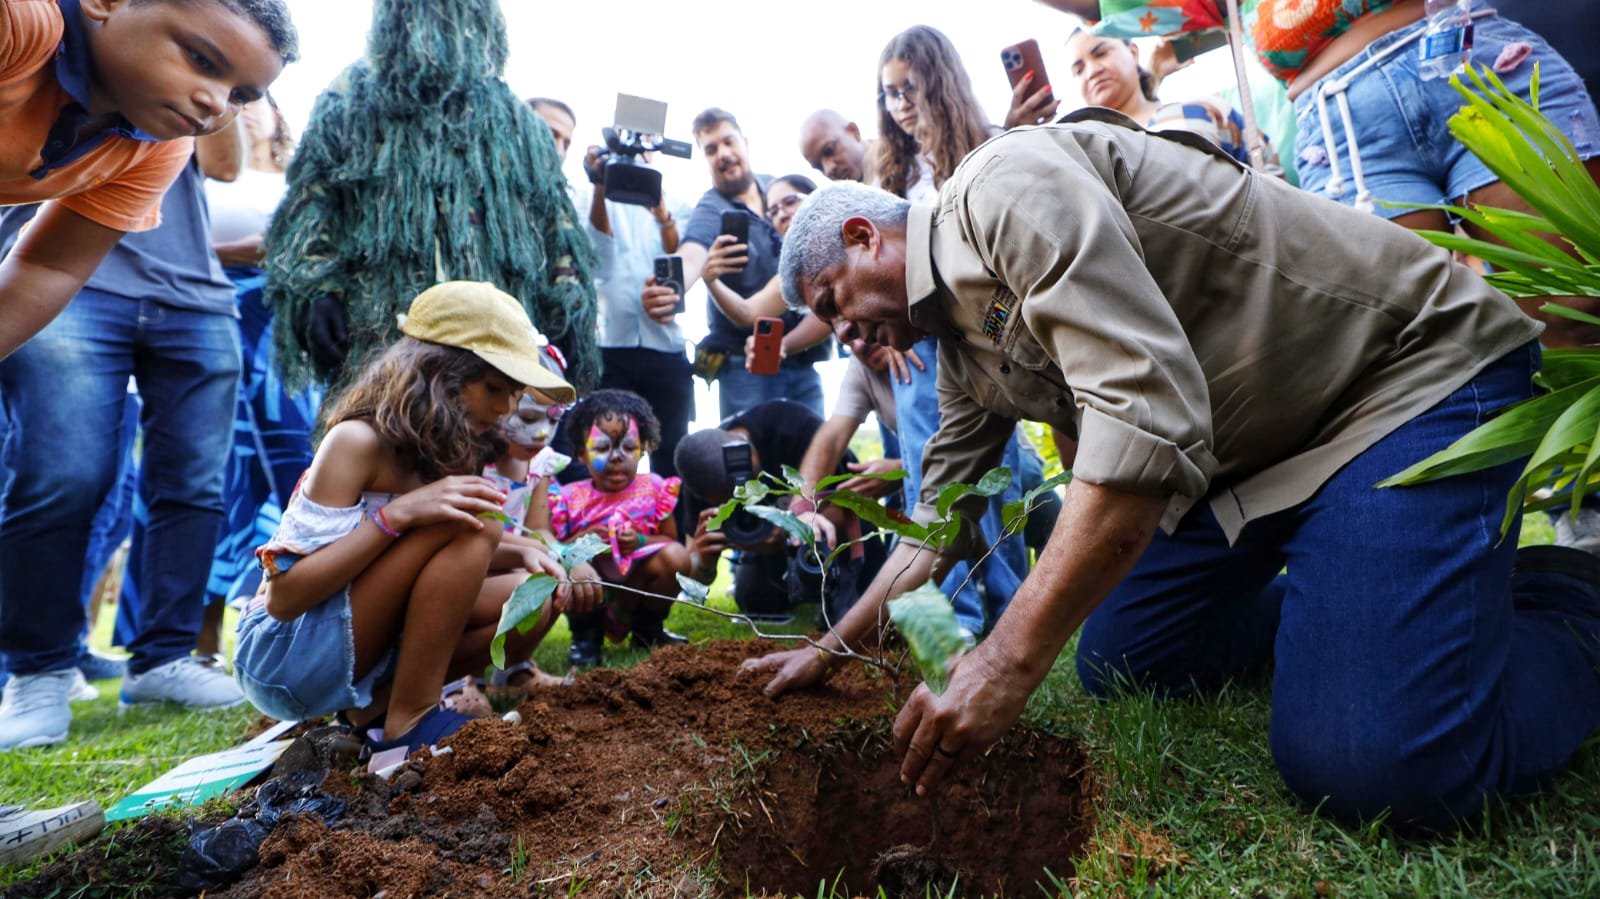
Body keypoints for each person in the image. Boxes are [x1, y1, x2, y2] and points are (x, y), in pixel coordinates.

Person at [747, 115, 1600, 829]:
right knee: (1122, 655)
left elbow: (1141, 421)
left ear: (865, 237)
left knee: (1373, 761)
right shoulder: (961, 359)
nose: (845, 335)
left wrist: (1004, 661)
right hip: (1254, 459)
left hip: (1395, 388)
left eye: (834, 304)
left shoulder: (999, 190)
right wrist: (831, 645)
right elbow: (937, 524)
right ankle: (1368, 600)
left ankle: (1567, 598)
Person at [234, 281, 582, 755]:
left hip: (351, 652)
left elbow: (432, 564)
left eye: (513, 392)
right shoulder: (356, 442)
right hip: (285, 656)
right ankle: (410, 721)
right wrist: (395, 516)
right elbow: (285, 598)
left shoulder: (451, 448)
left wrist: (528, 552)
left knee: (530, 597)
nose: (504, 408)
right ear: (437, 373)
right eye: (494, 388)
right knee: (479, 521)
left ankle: (373, 712)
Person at [0, 126, 253, 750]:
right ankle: (38, 674)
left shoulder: (201, 94)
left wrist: (220, 77)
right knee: (60, 478)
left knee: (194, 484)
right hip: (63, 276)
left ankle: (163, 661)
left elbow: (223, 165)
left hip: (195, 289)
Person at [263, 0, 598, 395]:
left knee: (482, 443)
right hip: (382, 336)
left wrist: (568, 301)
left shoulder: (516, 124)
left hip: (491, 352)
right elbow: (312, 206)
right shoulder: (351, 103)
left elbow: (555, 225)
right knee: (381, 440)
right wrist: (319, 291)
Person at [0, 0, 296, 361]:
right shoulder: (18, 23)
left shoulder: (157, 149)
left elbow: (48, 267)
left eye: (240, 97)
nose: (217, 104)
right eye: (202, 60)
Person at [872, 24, 1039, 634]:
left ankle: (1011, 607)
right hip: (925, 348)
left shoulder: (989, 144)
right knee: (933, 475)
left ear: (939, 81)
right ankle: (956, 617)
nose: (899, 104)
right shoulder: (890, 173)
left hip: (989, 334)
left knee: (1001, 477)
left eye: (909, 87)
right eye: (888, 94)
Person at [203, 97, 320, 618]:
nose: (247, 110)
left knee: (295, 459)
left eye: (258, 101)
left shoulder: (301, 182)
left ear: (279, 115)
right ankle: (197, 637)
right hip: (211, 311)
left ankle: (284, 605)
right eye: (238, 101)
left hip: (286, 336)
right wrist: (239, 250)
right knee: (221, 465)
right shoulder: (199, 170)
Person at [547, 98, 696, 482]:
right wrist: (601, 184)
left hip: (665, 344)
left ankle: (673, 537)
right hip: (607, 344)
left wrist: (661, 211)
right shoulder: (582, 197)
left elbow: (683, 262)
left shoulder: (678, 203)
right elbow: (600, 261)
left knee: (674, 458)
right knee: (595, 456)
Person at [671, 108, 829, 418]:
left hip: (806, 358)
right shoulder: (710, 207)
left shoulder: (778, 190)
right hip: (747, 364)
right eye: (711, 150)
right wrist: (676, 286)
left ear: (745, 142)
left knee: (814, 449)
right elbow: (691, 254)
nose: (723, 154)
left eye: (728, 142)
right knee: (751, 451)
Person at [676, 400, 886, 625]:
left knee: (856, 611)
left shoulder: (790, 426)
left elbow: (854, 506)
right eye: (729, 505)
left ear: (744, 446)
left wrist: (788, 529)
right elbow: (695, 579)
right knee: (755, 598)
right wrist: (703, 562)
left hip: (839, 536)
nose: (744, 503)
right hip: (767, 554)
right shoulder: (700, 472)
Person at [538, 389, 691, 668]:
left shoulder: (654, 488)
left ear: (643, 448)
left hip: (637, 584)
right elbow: (553, 549)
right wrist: (578, 542)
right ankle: (586, 637)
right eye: (602, 447)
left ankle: (648, 631)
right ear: (581, 453)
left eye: (628, 447)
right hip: (591, 587)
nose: (617, 457)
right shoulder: (567, 497)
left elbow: (669, 539)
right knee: (566, 569)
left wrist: (640, 540)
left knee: (678, 556)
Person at [1066, 29, 1262, 166]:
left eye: (1101, 53)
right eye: (1079, 70)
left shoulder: (1201, 110)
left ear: (1133, 53)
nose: (1091, 71)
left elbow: (1266, 166)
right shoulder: (1087, 156)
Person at [799, 109, 873, 183]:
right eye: (819, 167)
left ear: (853, 131)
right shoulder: (846, 193)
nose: (828, 169)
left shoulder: (884, 159)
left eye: (829, 151)